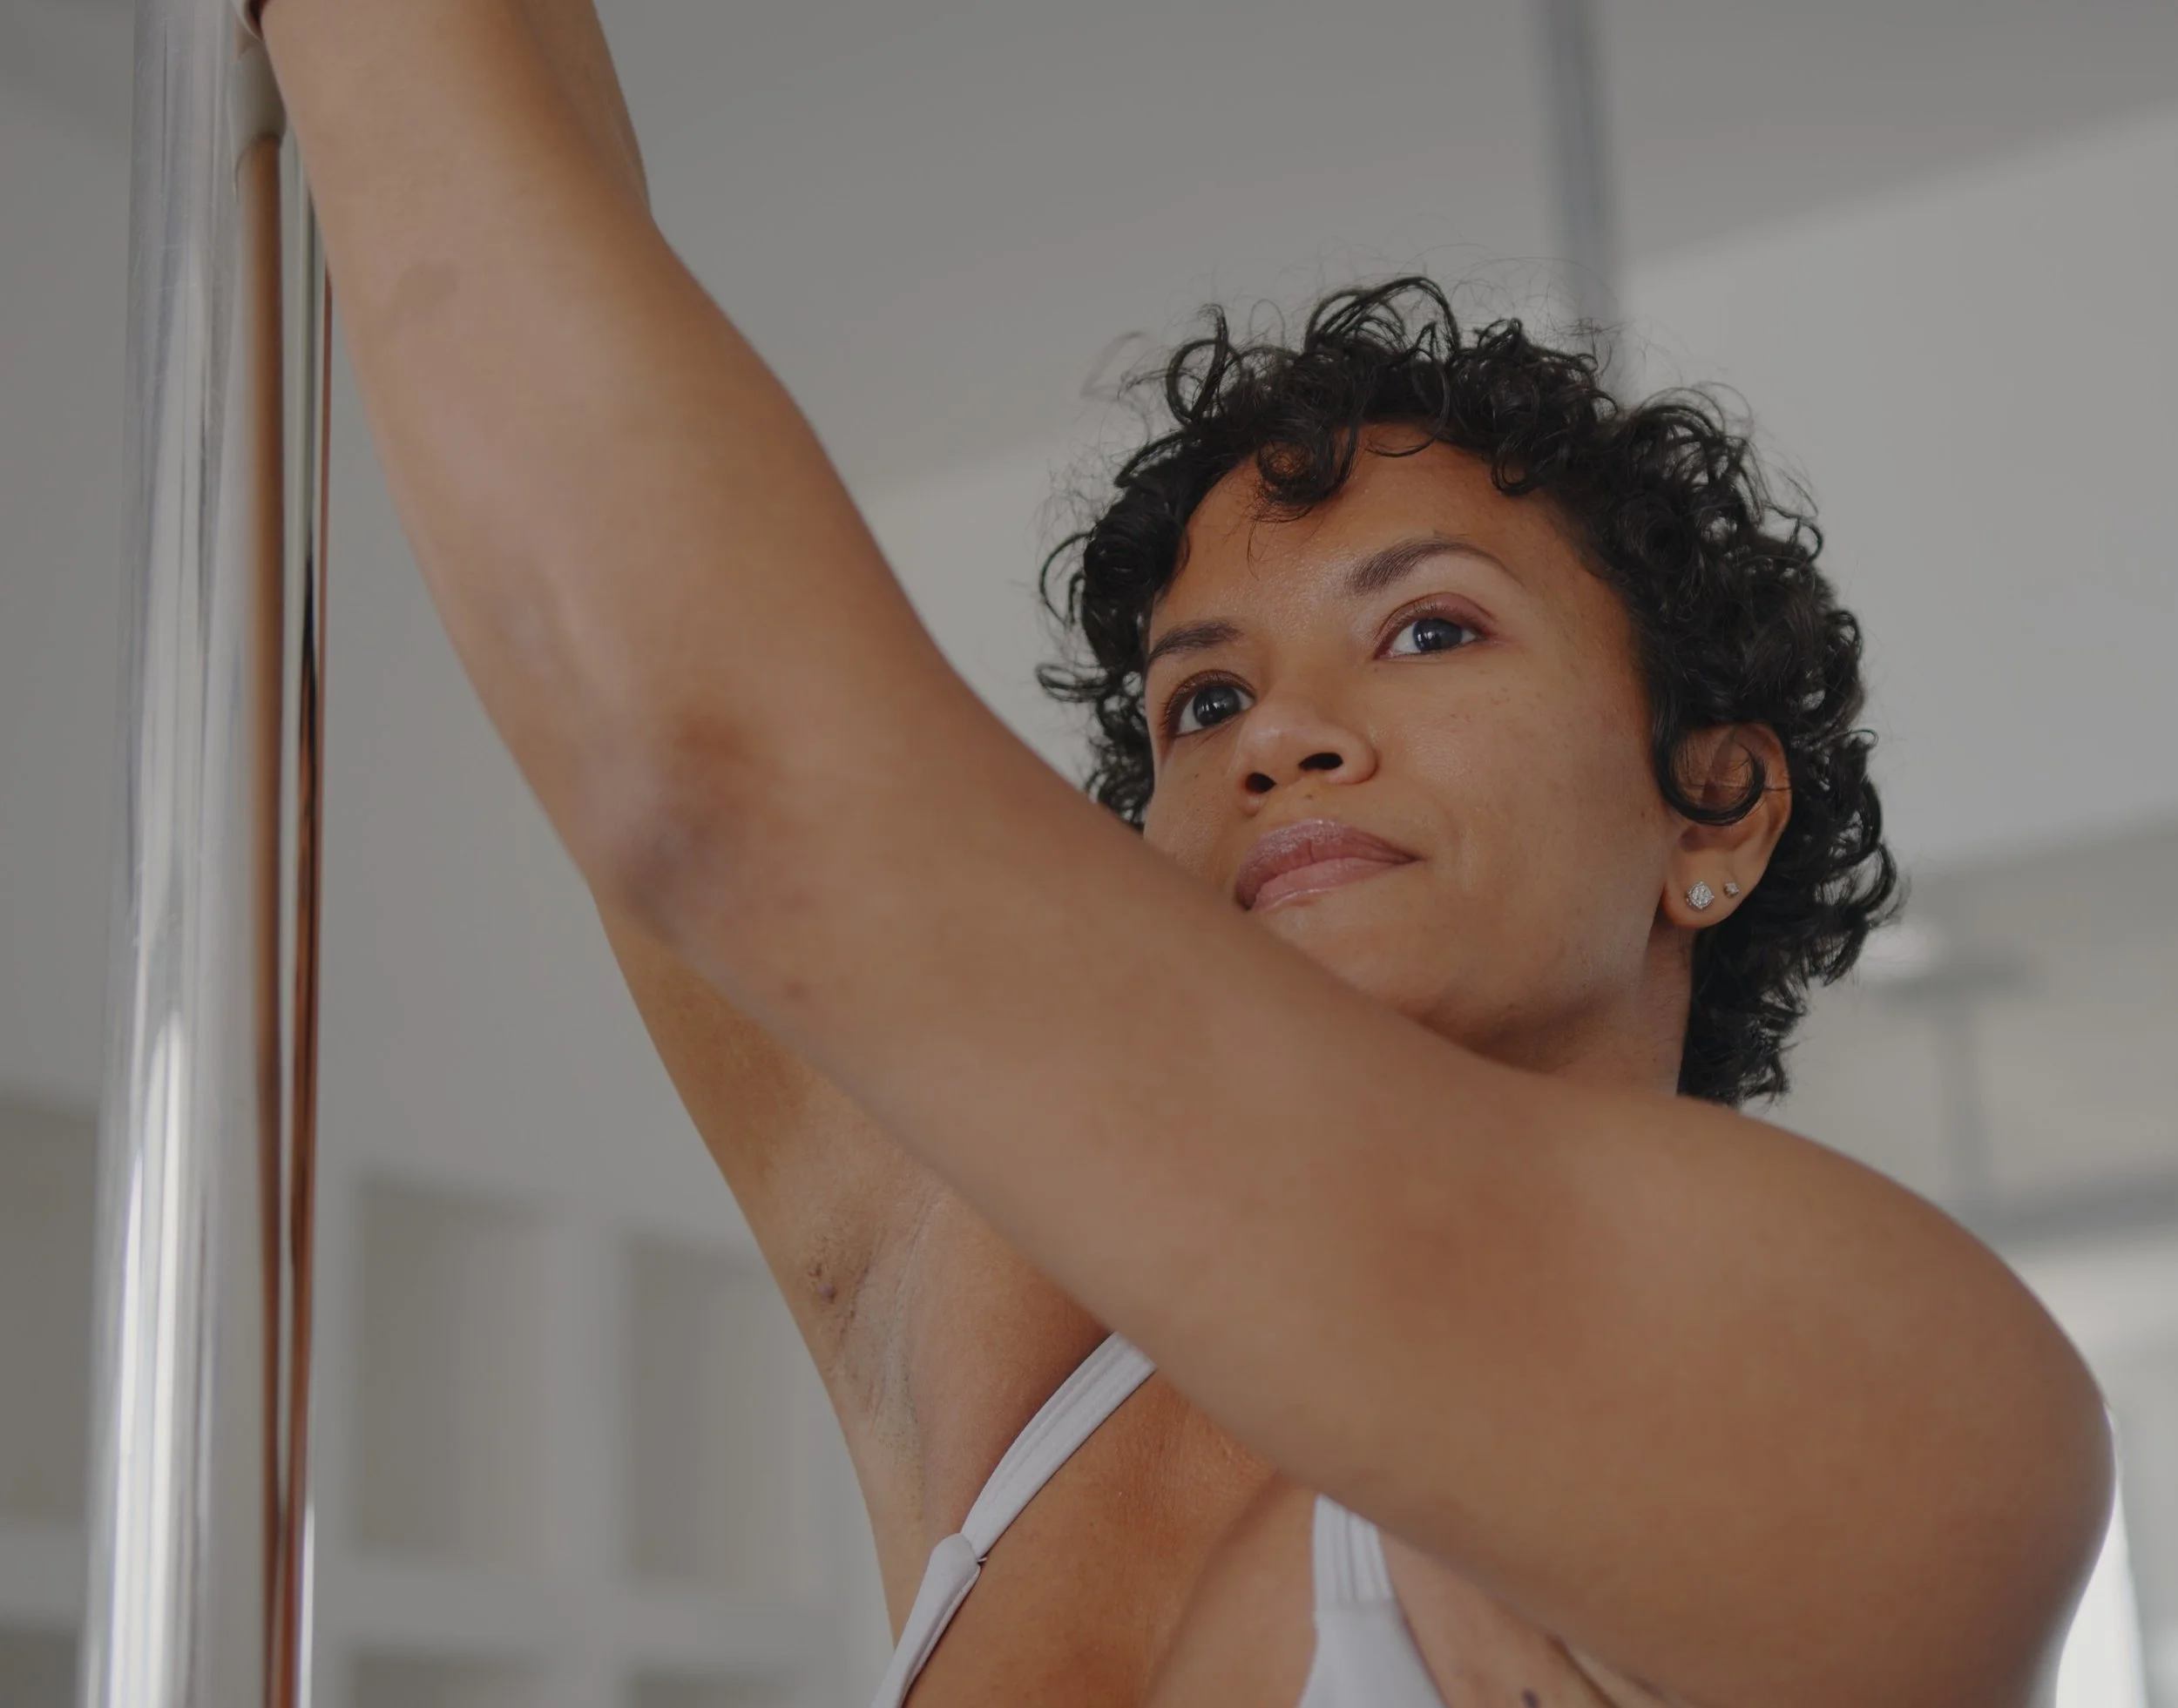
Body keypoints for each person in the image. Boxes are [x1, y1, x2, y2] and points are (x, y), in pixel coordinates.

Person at [249, 3, 2114, 1703]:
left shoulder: (1894, 1388)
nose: (1280, 738)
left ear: (1711, 805)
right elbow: (590, 455)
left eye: (1430, 629)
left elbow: (711, 775)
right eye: (1200, 703)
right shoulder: (991, 1317)